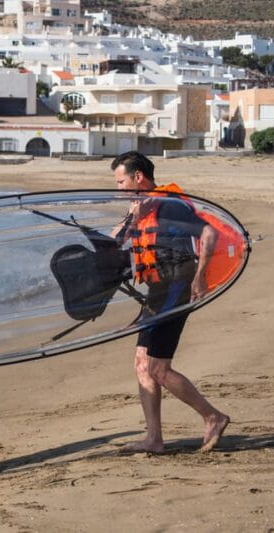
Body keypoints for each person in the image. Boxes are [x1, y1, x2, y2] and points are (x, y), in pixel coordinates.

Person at [110, 152, 230, 454]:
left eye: (121, 181)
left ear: (139, 177)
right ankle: (154, 439)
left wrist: (200, 276)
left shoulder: (169, 205)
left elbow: (209, 232)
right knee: (141, 364)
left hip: (177, 286)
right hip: (156, 290)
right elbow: (115, 241)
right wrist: (129, 218)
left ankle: (213, 417)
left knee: (158, 368)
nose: (119, 188)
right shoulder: (141, 208)